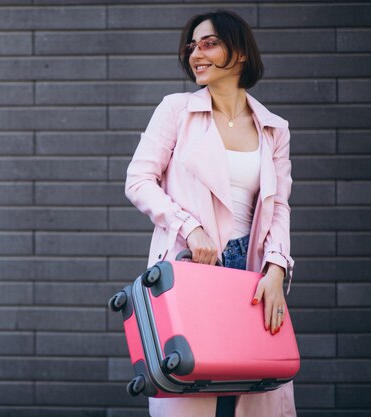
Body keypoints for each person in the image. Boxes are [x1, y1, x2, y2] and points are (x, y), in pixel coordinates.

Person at [124, 10, 296, 417]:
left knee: (254, 391)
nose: (195, 54)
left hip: (252, 276)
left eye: (208, 43)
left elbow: (279, 207)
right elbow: (138, 180)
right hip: (193, 266)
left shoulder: (274, 128)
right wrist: (190, 227)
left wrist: (276, 268)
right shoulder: (177, 110)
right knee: (192, 392)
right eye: (191, 46)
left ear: (238, 53)